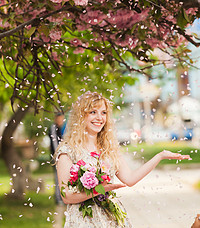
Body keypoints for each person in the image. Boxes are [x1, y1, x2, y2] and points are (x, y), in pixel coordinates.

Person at [55, 92, 190, 227]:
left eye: (103, 113)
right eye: (93, 112)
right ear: (81, 115)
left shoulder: (108, 149)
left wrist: (160, 156)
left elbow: (130, 178)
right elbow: (67, 196)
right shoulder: (68, 151)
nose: (99, 117)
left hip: (110, 218)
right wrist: (100, 189)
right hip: (83, 219)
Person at [49, 112, 66, 204]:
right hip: (57, 157)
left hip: (66, 156)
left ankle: (65, 196)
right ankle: (58, 198)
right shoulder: (53, 128)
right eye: (58, 118)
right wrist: (58, 156)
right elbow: (54, 142)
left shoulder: (65, 127)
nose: (60, 121)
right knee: (58, 177)